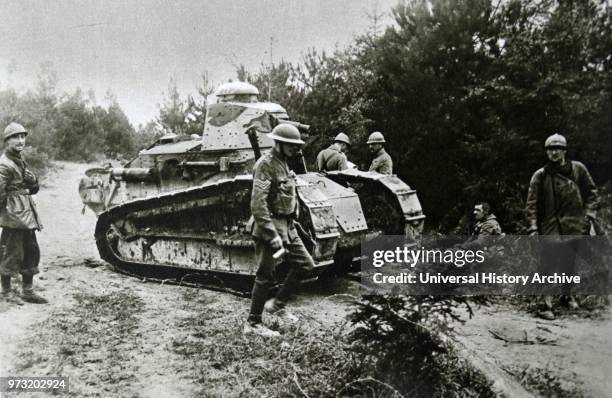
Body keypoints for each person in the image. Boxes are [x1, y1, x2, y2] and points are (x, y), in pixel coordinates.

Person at [244, 123, 315, 337]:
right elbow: (258, 205)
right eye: (292, 145)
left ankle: (278, 304)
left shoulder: (284, 163)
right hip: (270, 228)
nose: (296, 149)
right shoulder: (265, 165)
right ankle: (253, 324)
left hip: (288, 226)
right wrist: (271, 234)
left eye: (297, 145)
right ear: (280, 143)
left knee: (305, 265)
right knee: (266, 275)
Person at [525, 133, 598, 320]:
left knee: (569, 261)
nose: (554, 153)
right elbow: (531, 204)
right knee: (547, 263)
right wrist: (533, 227)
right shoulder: (540, 175)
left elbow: (591, 192)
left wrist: (589, 215)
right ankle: (544, 303)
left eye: (557, 149)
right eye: (550, 149)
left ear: (564, 150)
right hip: (551, 224)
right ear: (546, 152)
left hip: (575, 223)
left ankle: (566, 295)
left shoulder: (578, 169)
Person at [0, 122, 47, 305]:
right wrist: (4, 215)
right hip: (14, 215)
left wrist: (33, 180)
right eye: (15, 137)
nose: (20, 141)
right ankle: (6, 292)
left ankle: (27, 290)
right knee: (10, 253)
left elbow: (33, 188)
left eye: (22, 137)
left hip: (26, 213)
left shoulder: (20, 159)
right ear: (7, 141)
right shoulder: (4, 164)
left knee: (31, 251)